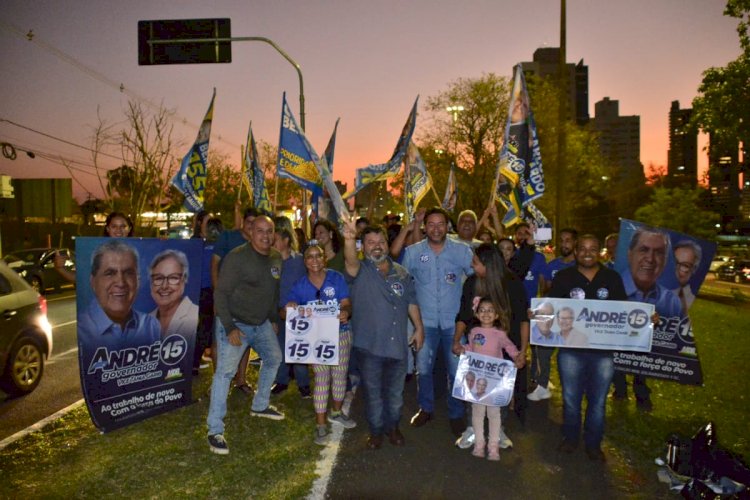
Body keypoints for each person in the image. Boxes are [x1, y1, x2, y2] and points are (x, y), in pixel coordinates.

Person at [342, 218, 424, 449]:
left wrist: (419, 328)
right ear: (363, 246)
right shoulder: (359, 270)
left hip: (398, 346)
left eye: (380, 241)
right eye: (370, 242)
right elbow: (349, 260)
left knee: (396, 396)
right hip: (369, 347)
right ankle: (376, 432)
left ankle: (393, 428)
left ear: (388, 245)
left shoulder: (402, 273)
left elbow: (411, 302)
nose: (376, 246)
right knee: (374, 395)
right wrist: (349, 239)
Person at [206, 215, 284, 455]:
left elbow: (273, 290)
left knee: (274, 358)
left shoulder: (275, 257)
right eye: (259, 230)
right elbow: (221, 293)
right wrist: (229, 327)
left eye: (269, 231)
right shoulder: (237, 258)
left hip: (260, 324)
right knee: (225, 374)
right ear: (250, 232)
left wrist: (272, 317)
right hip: (236, 323)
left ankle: (259, 405)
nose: (265, 236)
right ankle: (214, 429)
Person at [548, 234, 627, 462]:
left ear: (600, 251)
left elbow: (624, 311)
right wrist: (537, 313)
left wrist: (644, 318)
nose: (587, 253)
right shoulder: (564, 277)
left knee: (598, 401)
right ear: (576, 251)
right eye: (583, 248)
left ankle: (593, 444)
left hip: (602, 353)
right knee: (571, 398)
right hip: (571, 350)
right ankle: (571, 438)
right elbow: (551, 308)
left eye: (593, 248)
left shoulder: (611, 278)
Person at [403, 207, 474, 437]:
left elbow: (478, 278)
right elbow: (404, 285)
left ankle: (456, 413)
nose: (435, 228)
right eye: (431, 224)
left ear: (447, 226)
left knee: (456, 370)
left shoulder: (462, 251)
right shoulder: (413, 253)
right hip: (424, 323)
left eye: (440, 224)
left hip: (454, 323)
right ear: (424, 227)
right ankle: (426, 408)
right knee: (423, 368)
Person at [453, 243, 528, 449]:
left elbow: (523, 319)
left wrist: (522, 350)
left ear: (488, 264)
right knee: (472, 391)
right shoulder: (471, 283)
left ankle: (499, 429)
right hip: (476, 349)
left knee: (499, 392)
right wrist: (457, 340)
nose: (472, 265)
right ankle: (472, 428)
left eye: (476, 262)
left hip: (503, 350)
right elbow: (463, 315)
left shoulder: (512, 284)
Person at [283, 242, 354, 445]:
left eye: (318, 256)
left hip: (340, 334)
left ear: (324, 259)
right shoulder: (300, 285)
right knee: (322, 378)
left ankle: (337, 412)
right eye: (310, 257)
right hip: (316, 338)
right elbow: (285, 311)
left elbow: (347, 302)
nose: (315, 260)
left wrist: (345, 312)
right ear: (305, 261)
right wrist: (291, 307)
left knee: (340, 375)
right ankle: (321, 424)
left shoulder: (336, 278)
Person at [613, 226, 681, 410]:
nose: (650, 259)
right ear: (630, 254)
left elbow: (674, 340)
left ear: (665, 260)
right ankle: (620, 393)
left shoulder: (672, 302)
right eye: (643, 249)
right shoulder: (613, 286)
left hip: (645, 352)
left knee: (641, 372)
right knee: (617, 368)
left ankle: (641, 396)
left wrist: (662, 322)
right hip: (617, 346)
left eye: (658, 252)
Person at [456, 296, 523, 461]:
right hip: (477, 381)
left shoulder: (500, 333)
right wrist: (461, 349)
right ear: (477, 314)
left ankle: (493, 447)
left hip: (494, 381)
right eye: (482, 310)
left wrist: (517, 356)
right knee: (477, 413)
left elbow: (509, 346)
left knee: (494, 414)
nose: (486, 313)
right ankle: (479, 444)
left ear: (497, 315)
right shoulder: (473, 332)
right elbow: (470, 348)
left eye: (490, 310)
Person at [78, 240, 160, 361]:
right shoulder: (82, 328)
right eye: (110, 273)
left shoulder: (151, 325)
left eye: (128, 273)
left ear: (138, 281)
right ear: (93, 282)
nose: (121, 283)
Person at [212, 207, 261, 396]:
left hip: (247, 302)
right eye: (249, 223)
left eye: (255, 224)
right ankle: (219, 382)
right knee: (219, 339)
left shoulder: (259, 243)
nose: (251, 227)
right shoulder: (227, 237)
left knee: (245, 339)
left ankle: (241, 380)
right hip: (226, 298)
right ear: (243, 222)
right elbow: (215, 264)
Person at [528, 228, 577, 402]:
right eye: (561, 240)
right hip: (555, 316)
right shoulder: (553, 265)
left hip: (576, 319)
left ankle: (572, 392)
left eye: (568, 240)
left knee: (571, 358)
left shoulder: (582, 265)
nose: (564, 244)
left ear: (575, 243)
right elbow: (546, 290)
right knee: (542, 350)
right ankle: (541, 385)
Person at [271, 216, 311, 398]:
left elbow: (309, 285)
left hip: (299, 314)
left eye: (275, 240)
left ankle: (304, 384)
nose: (272, 243)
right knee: (279, 349)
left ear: (286, 240)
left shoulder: (300, 261)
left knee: (299, 350)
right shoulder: (271, 262)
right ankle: (281, 381)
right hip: (278, 313)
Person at [148, 249, 198, 339]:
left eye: (173, 278)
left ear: (184, 280)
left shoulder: (196, 316)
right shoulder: (145, 323)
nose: (164, 286)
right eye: (158, 278)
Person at [672, 240, 702, 314]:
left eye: (685, 265)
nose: (676, 268)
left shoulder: (689, 302)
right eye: (674, 262)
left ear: (694, 269)